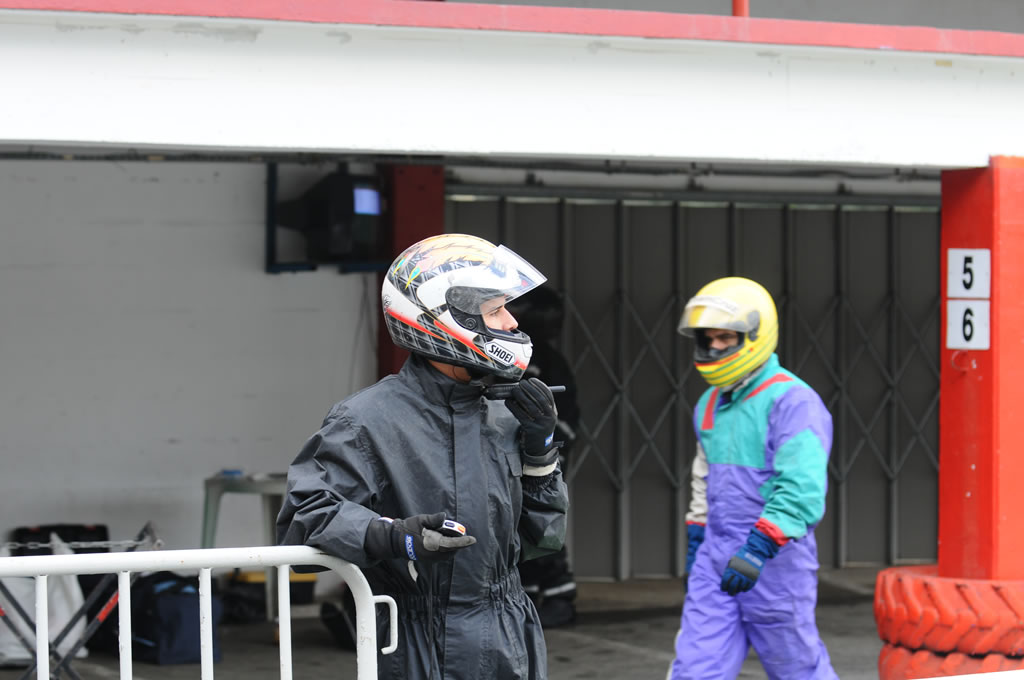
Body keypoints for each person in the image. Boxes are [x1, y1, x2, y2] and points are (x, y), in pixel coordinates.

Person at [276, 233, 569, 680]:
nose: (511, 322)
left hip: (510, 639)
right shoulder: (366, 421)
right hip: (415, 646)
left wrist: (540, 453)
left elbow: (540, 540)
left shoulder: (504, 413)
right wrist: (396, 537)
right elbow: (304, 523)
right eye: (495, 310)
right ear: (441, 321)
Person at [668, 276, 838, 680]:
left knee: (796, 668)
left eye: (727, 337)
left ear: (756, 336)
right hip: (716, 555)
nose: (715, 347)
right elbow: (702, 474)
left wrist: (759, 547)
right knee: (696, 668)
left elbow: (801, 489)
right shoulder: (711, 401)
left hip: (775, 560)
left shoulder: (792, 401)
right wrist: (697, 536)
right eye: (709, 338)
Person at [506, 285, 580, 628]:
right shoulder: (520, 358)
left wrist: (543, 444)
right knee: (520, 527)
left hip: (543, 452)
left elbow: (566, 419)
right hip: (520, 454)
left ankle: (560, 598)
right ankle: (530, 596)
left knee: (542, 524)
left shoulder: (546, 362)